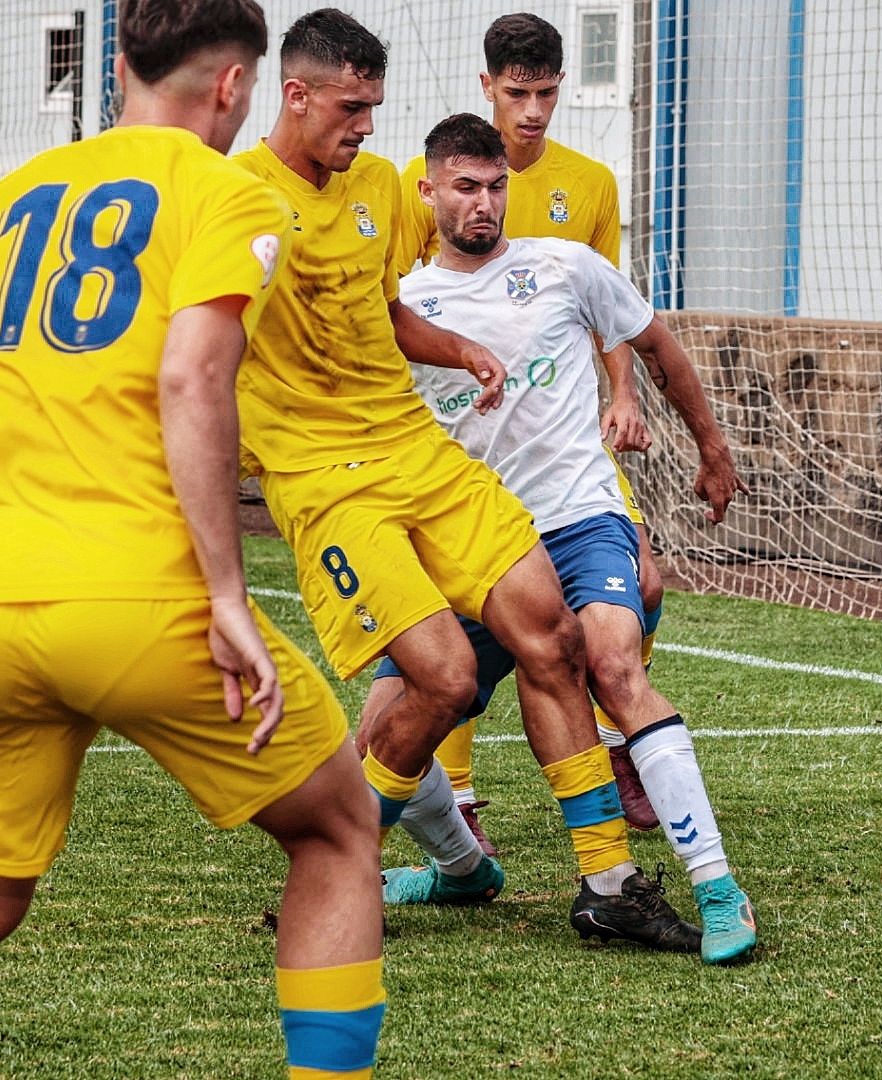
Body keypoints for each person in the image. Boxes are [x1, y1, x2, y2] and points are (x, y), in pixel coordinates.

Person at [0, 2, 386, 1074]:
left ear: (122, 62)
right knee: (337, 831)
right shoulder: (226, 190)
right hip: (144, 604)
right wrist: (227, 595)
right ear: (233, 87)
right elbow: (192, 373)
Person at [233, 8, 698, 954]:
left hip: (417, 451)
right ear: (296, 95)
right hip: (325, 480)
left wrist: (463, 349)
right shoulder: (232, 198)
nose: (366, 127)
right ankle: (342, 873)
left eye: (374, 108)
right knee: (440, 678)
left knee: (552, 635)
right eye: (352, 108)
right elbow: (195, 352)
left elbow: (388, 309)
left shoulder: (377, 188)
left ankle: (607, 884)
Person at [383, 113, 758, 966]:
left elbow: (657, 348)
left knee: (613, 665)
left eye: (495, 186)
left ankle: (713, 885)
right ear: (430, 191)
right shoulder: (403, 302)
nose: (484, 203)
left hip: (577, 516)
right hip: (470, 538)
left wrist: (712, 449)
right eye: (466, 187)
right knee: (389, 725)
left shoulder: (563, 265)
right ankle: (461, 870)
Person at [393, 11, 664, 852]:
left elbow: (608, 310)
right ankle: (462, 798)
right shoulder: (425, 179)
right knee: (461, 626)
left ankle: (621, 746)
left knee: (643, 589)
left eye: (547, 93)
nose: (535, 109)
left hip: (563, 435)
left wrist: (624, 394)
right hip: (461, 444)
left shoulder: (590, 183)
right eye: (519, 93)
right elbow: (401, 304)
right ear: (489, 89)